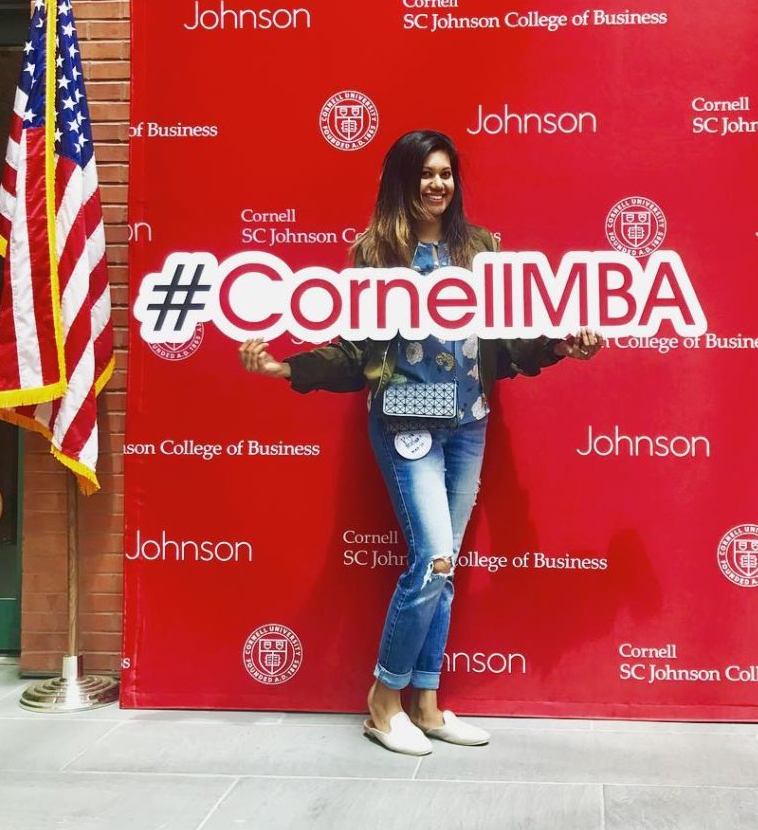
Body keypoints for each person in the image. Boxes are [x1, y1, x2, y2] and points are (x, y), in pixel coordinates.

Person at [239, 129, 602, 755]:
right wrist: (285, 369)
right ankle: (384, 704)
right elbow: (356, 352)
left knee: (447, 564)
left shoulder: (479, 249)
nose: (438, 184)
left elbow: (503, 345)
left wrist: (560, 346)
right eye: (425, 173)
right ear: (402, 181)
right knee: (433, 555)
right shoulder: (376, 254)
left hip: (469, 422)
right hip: (407, 420)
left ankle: (428, 703)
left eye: (446, 173)